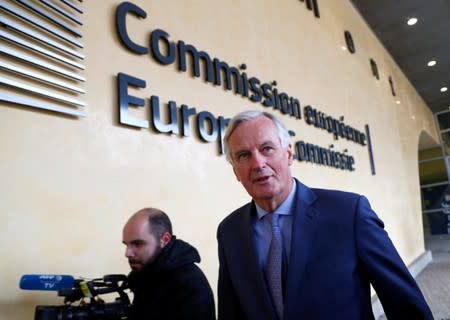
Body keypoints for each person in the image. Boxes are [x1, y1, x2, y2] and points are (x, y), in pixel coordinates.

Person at [216, 110, 433, 320]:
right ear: (235, 170)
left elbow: (404, 303)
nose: (258, 163)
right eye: (243, 155)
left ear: (289, 154)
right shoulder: (230, 231)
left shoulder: (349, 213)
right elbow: (230, 310)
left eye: (267, 148)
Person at [122, 207, 216, 319]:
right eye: (126, 244)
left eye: (137, 244)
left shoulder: (189, 283)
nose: (128, 253)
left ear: (165, 240)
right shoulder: (143, 274)